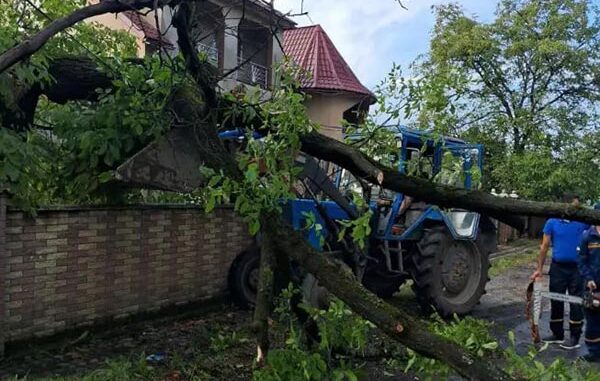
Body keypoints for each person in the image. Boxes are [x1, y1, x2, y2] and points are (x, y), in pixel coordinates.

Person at [530, 194, 590, 349]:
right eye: (574, 207)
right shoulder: (552, 222)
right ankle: (557, 334)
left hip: (577, 269)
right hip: (558, 268)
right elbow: (544, 247)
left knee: (576, 302)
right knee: (556, 299)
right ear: (565, 206)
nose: (577, 210)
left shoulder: (583, 222)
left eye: (578, 207)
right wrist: (539, 270)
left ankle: (575, 337)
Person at [578, 203, 600, 361]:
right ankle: (593, 352)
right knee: (592, 319)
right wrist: (589, 278)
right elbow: (581, 261)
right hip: (592, 284)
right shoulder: (588, 235)